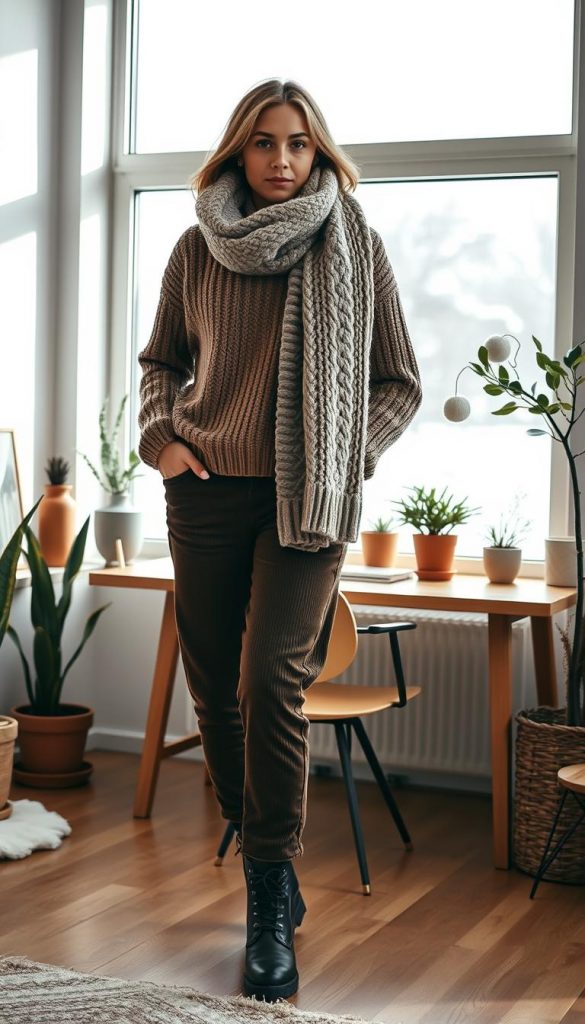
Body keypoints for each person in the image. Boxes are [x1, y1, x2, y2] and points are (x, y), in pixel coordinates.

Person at [137, 78, 422, 1002]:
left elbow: (398, 383)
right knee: (212, 688)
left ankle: (266, 892)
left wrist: (350, 456)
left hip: (306, 502)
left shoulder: (355, 248)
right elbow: (160, 364)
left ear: (319, 153)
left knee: (271, 681)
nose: (282, 160)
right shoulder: (196, 249)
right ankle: (272, 867)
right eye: (264, 143)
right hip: (208, 494)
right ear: (236, 152)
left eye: (298, 144)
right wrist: (165, 444)